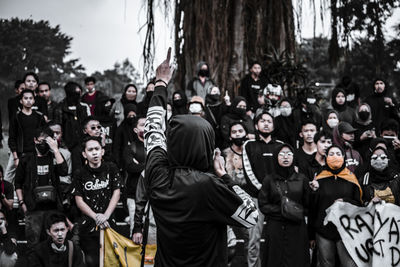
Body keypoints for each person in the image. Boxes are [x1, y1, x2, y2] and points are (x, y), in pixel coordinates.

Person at [144, 48, 258, 266]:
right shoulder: (209, 185)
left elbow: (153, 129)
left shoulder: (157, 174)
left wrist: (161, 83)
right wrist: (224, 176)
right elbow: (250, 215)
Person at [15, 127, 68, 251]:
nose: (43, 144)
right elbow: (17, 182)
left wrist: (55, 149)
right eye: (41, 141)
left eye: (46, 142)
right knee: (33, 246)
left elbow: (64, 171)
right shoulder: (26, 159)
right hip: (33, 209)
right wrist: (22, 203)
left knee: (53, 246)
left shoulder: (54, 156)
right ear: (35, 140)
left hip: (53, 208)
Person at [72, 136, 121, 267]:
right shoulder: (79, 173)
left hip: (109, 223)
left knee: (111, 261)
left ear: (102, 151)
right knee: (91, 261)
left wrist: (106, 216)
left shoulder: (111, 168)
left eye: (97, 149)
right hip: (88, 225)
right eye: (90, 150)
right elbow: (78, 200)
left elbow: (117, 192)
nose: (94, 152)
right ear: (84, 154)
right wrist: (96, 217)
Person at [309, 145, 361, 267]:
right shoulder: (319, 179)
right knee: (326, 263)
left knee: (349, 264)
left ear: (343, 157)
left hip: (346, 230)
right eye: (331, 154)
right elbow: (312, 208)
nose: (335, 157)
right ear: (326, 157)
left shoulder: (351, 179)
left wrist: (345, 201)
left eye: (338, 154)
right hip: (324, 230)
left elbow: (359, 204)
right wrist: (313, 191)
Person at [258, 144, 310, 267]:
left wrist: (296, 211)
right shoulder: (269, 180)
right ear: (276, 157)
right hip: (275, 227)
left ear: (293, 157)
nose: (285, 157)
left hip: (297, 228)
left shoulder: (302, 179)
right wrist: (283, 211)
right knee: (275, 259)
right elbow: (263, 204)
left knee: (297, 260)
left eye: (288, 154)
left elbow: (308, 205)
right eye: (281, 154)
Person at [242, 110, 282, 267]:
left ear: (273, 125)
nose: (266, 123)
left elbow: (284, 172)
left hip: (277, 199)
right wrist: (264, 190)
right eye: (262, 121)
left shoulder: (281, 146)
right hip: (255, 199)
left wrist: (276, 192)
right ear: (256, 125)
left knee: (278, 239)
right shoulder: (249, 145)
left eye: (269, 121)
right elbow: (248, 171)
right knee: (253, 241)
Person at [6, 89, 46, 183]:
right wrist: (16, 158)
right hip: (21, 154)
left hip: (36, 154)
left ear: (34, 101)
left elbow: (44, 135)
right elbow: (12, 139)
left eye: (31, 98)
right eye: (26, 98)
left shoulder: (39, 117)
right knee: (15, 180)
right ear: (21, 101)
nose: (28, 100)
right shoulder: (16, 117)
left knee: (34, 181)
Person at [123, 116, 146, 236]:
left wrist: (140, 165)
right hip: (134, 195)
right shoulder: (130, 147)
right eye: (142, 124)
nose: (146, 126)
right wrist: (149, 165)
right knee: (136, 231)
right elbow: (130, 167)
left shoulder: (156, 147)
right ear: (135, 130)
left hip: (154, 195)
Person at [112, 103, 137, 169]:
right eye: (129, 115)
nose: (131, 117)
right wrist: (118, 163)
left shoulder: (138, 127)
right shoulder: (121, 128)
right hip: (124, 162)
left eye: (133, 115)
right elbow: (116, 147)